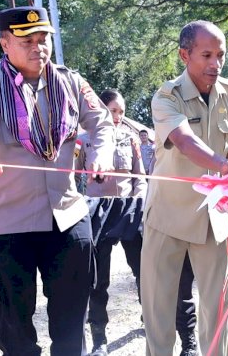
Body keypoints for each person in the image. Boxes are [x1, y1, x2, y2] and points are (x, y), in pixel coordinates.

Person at [0, 6, 114, 355]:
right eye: (27, 40)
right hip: (9, 224)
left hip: (67, 217)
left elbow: (101, 123)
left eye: (43, 40)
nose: (38, 48)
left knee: (71, 324)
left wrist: (101, 155)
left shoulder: (70, 82)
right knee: (16, 332)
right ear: (4, 43)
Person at [142, 20, 228, 356]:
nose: (215, 63)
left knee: (217, 313)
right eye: (206, 55)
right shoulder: (166, 97)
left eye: (221, 55)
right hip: (166, 217)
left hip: (212, 221)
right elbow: (183, 141)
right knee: (158, 313)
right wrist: (223, 165)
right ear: (184, 55)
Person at [76, 89, 205, 356]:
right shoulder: (84, 140)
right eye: (113, 110)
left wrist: (138, 204)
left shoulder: (131, 137)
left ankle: (150, 320)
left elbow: (140, 177)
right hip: (97, 211)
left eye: (121, 111)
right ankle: (99, 338)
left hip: (128, 209)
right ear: (101, 109)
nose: (118, 116)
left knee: (144, 273)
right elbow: (76, 178)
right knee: (97, 280)